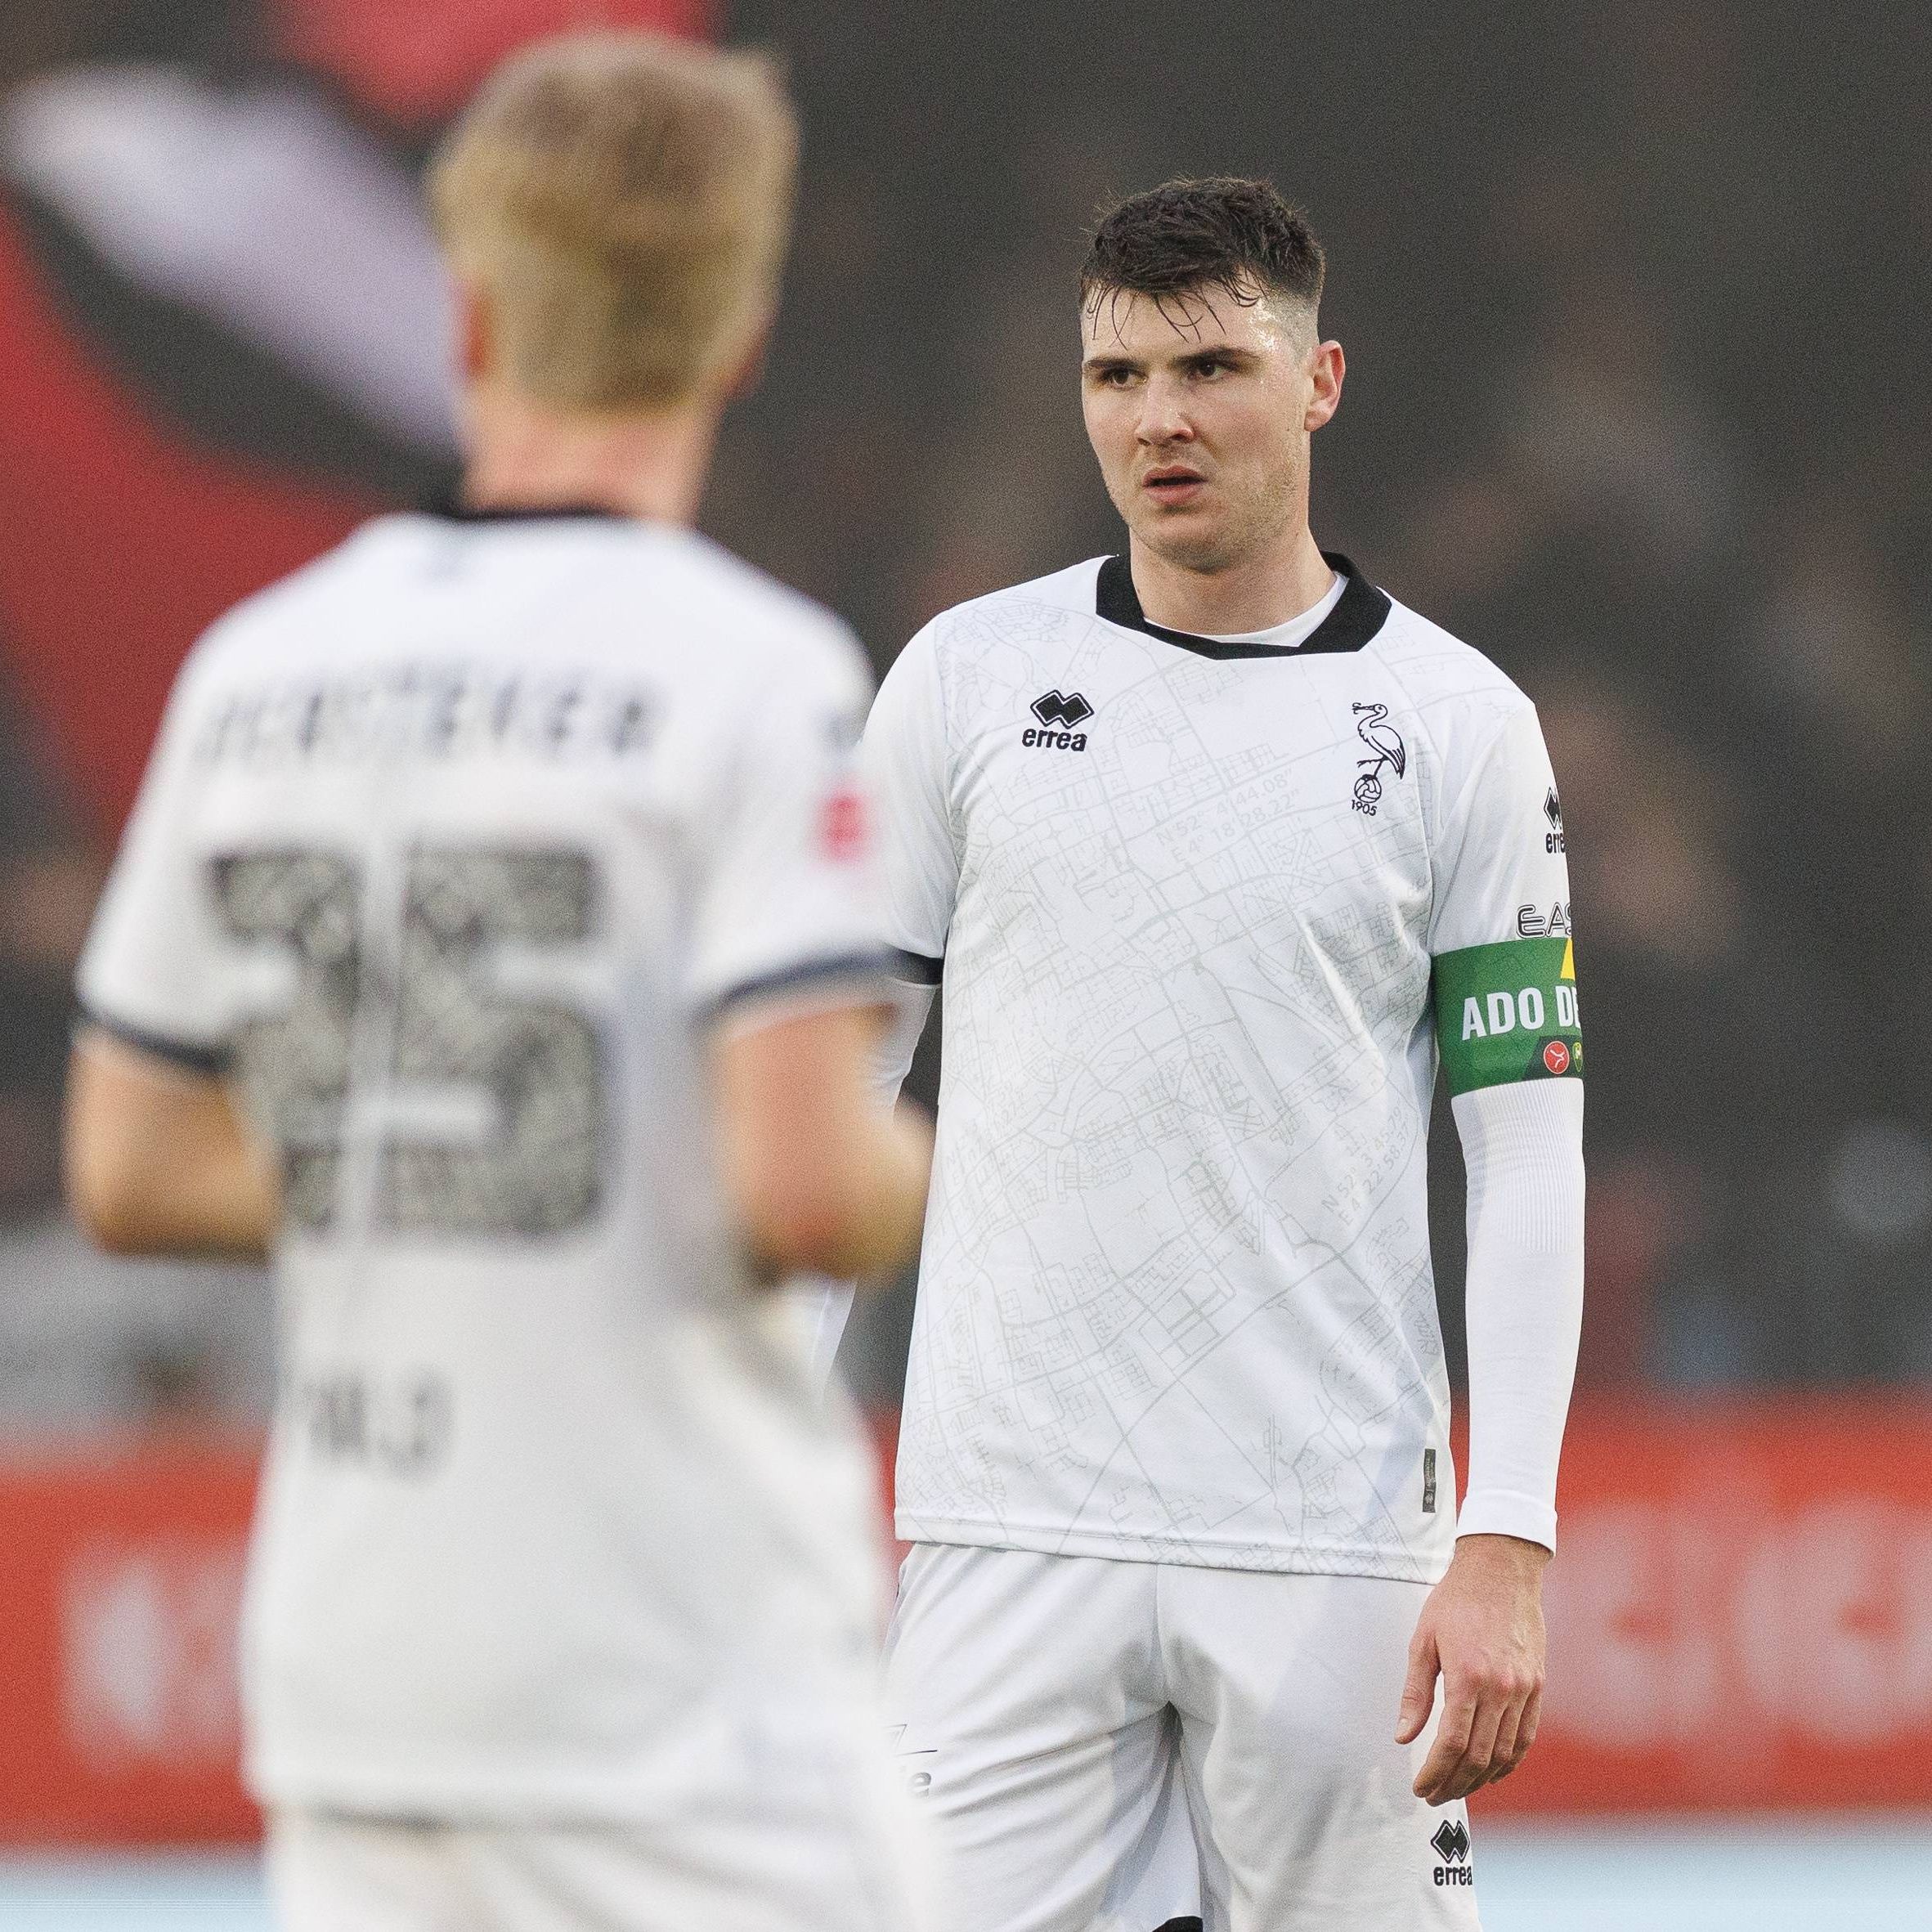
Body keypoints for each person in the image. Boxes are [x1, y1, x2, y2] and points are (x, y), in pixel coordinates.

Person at [64, 32, 938, 1932]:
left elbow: (129, 1166)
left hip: (362, 1681)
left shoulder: (261, 671)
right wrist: (954, 1148)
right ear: (738, 337)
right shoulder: (752, 675)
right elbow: (807, 1188)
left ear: (465, 315)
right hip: (680, 1692)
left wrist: (430, 1163)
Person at [861, 177, 1586, 1930]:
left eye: (1210, 369)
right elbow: (836, 1095)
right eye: (1117, 377)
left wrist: (1509, 1533)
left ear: (1319, 382)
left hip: (1330, 1542)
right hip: (1008, 1528)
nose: (1159, 420)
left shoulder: (1462, 727)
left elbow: (1526, 1152)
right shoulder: (963, 682)